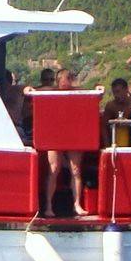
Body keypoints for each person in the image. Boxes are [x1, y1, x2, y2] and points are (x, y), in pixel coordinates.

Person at [42, 68, 90, 217]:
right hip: (55, 134)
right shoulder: (51, 91)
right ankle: (49, 206)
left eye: (67, 79)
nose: (64, 82)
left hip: (73, 134)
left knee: (75, 170)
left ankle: (77, 204)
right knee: (54, 169)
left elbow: (91, 92)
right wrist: (27, 88)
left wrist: (99, 89)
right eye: (62, 79)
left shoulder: (77, 91)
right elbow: (38, 90)